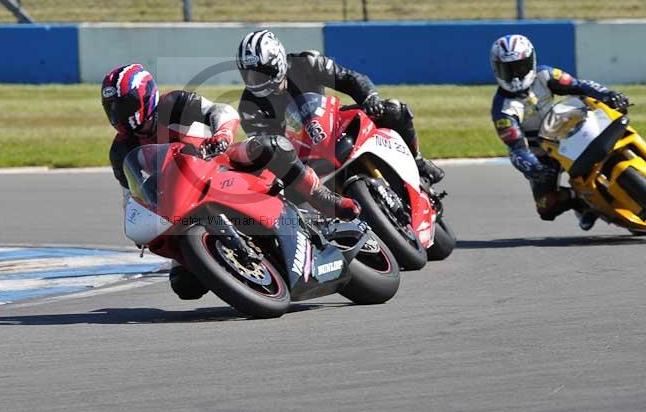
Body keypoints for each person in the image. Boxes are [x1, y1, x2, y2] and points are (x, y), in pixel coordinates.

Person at [102, 63, 359, 300]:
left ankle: (321, 197)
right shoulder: (121, 150)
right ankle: (244, 267)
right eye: (110, 108)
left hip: (220, 163)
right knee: (184, 286)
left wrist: (222, 134)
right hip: (180, 204)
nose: (118, 114)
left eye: (123, 105)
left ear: (145, 95)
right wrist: (140, 219)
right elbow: (130, 192)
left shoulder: (174, 103)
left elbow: (220, 110)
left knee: (270, 147)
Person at [234, 30, 444, 184]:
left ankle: (417, 161)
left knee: (394, 109)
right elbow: (267, 146)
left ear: (277, 62)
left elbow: (349, 78)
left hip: (332, 125)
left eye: (261, 72)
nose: (255, 80)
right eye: (249, 74)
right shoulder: (249, 106)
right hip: (300, 155)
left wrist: (370, 99)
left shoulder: (307, 63)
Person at [490, 34, 629, 230]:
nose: (514, 75)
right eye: (508, 69)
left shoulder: (546, 75)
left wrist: (608, 94)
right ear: (497, 69)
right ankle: (582, 202)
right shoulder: (502, 109)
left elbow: (578, 86)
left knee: (613, 119)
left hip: (571, 131)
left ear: (531, 61)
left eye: (519, 67)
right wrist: (535, 169)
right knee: (546, 207)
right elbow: (516, 148)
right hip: (543, 154)